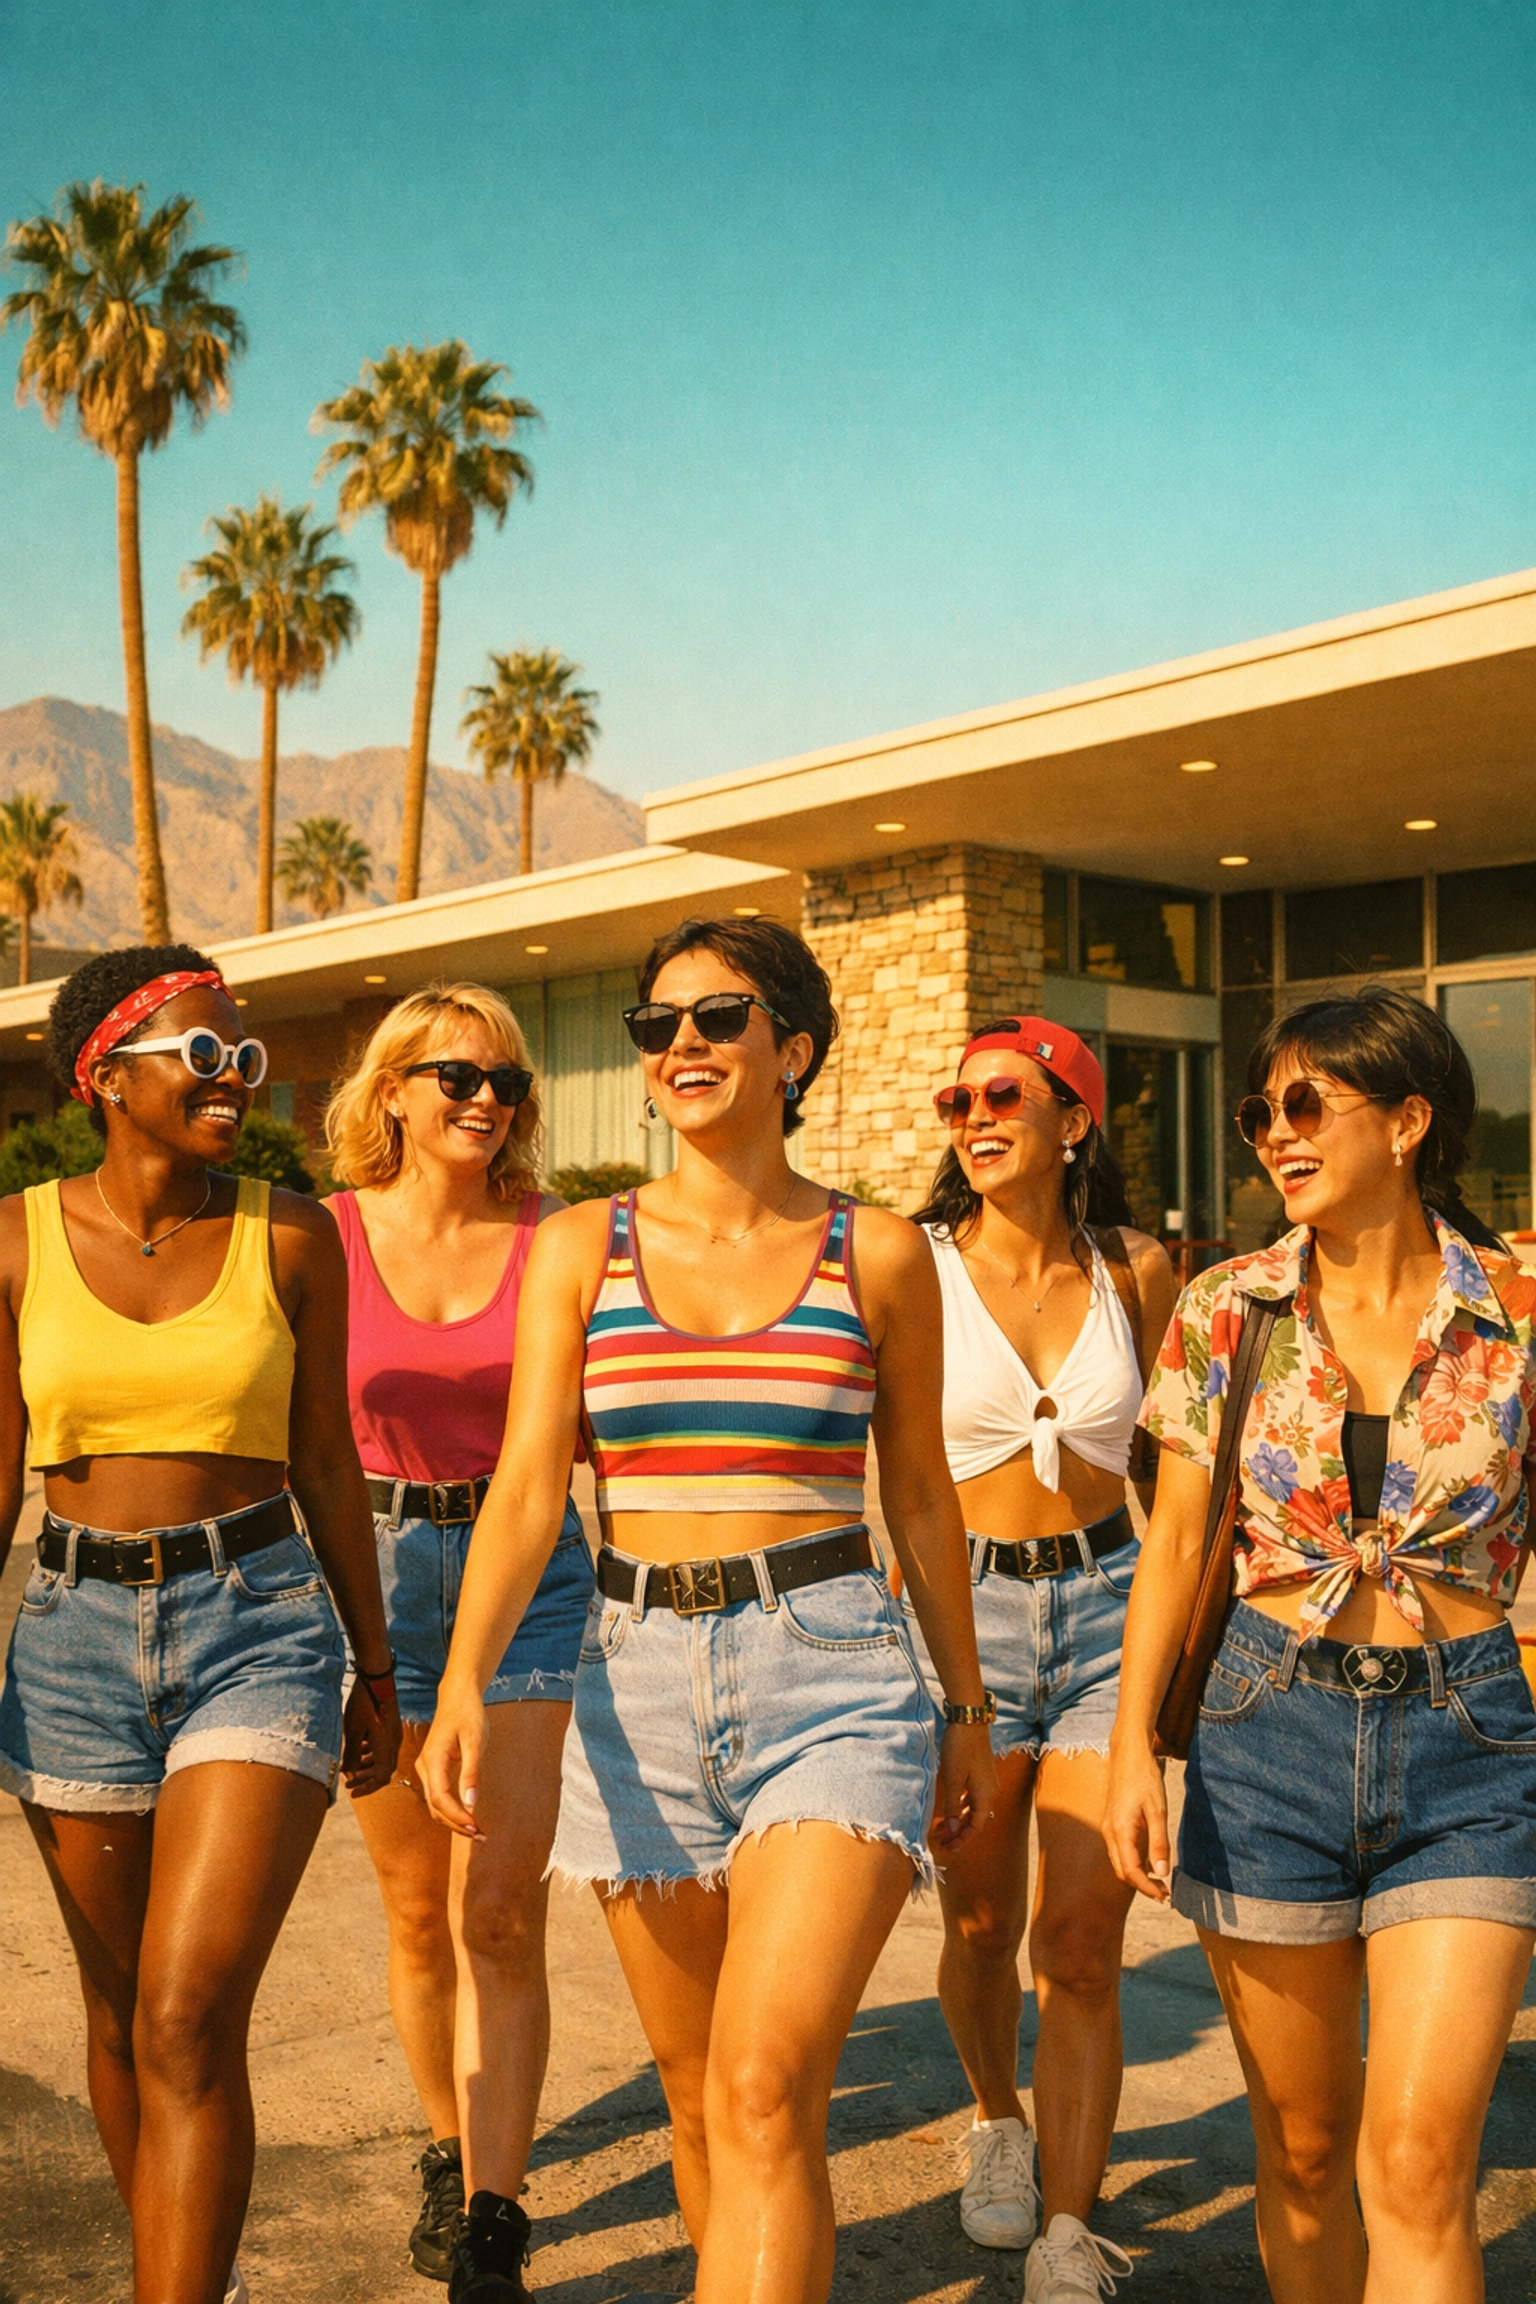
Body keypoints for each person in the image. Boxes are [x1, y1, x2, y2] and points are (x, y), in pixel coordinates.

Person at [417, 914, 997, 2304]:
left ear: (791, 1049)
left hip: (836, 1675)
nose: (681, 1045)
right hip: (638, 1683)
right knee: (693, 2102)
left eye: (718, 1019)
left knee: (761, 2083)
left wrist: (968, 1709)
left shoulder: (882, 1255)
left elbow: (919, 1497)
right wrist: (460, 1687)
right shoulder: (577, 1248)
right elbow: (522, 1492)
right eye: (658, 1026)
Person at [1105, 985, 1536, 2304]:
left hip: (1469, 1749)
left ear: (1409, 1120)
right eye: (1260, 1112)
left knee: (1417, 2164)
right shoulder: (1226, 1307)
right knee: (1299, 2154)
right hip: (1263, 1734)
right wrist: (1131, 1748)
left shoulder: (1517, 1310)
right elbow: (1177, 1549)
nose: (1274, 1136)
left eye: (1304, 1104)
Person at [0, 946, 399, 2304]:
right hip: (69, 1634)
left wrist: (376, 1660)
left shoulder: (295, 1235)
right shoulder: (12, 1240)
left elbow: (330, 1462)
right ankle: (191, 2273)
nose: (235, 1082)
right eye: (203, 1056)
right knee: (120, 2023)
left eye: (247, 1060)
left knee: (185, 2010)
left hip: (260, 1625)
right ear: (106, 1075)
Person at [322, 983, 592, 2287]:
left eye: (506, 1084)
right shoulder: (323, 1239)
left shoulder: (557, 1240)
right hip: (368, 1576)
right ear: (394, 1094)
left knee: (496, 1904)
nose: (486, 1100)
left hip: (527, 1568)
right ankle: (447, 2144)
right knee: (416, 1909)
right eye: (457, 1079)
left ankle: (495, 2204)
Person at [907, 1016, 1175, 2303]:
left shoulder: (1139, 1271)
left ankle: (1071, 2225)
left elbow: (1182, 1481)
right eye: (958, 1100)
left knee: (1077, 1940)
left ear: (1076, 1119)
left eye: (1004, 1093)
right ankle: (996, 2122)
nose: (974, 1115)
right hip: (965, 1625)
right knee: (978, 1922)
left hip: (1110, 1618)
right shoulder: (910, 1269)